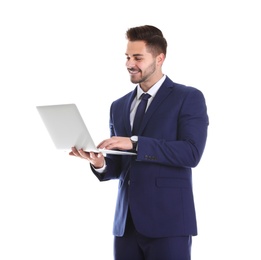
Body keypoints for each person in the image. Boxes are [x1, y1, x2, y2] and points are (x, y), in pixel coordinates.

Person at [70, 25, 209, 260]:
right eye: (127, 57)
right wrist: (100, 162)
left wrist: (135, 144)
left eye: (137, 57)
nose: (129, 64)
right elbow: (121, 166)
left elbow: (191, 153)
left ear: (160, 58)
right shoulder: (118, 106)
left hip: (169, 223)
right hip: (126, 226)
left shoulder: (188, 97)